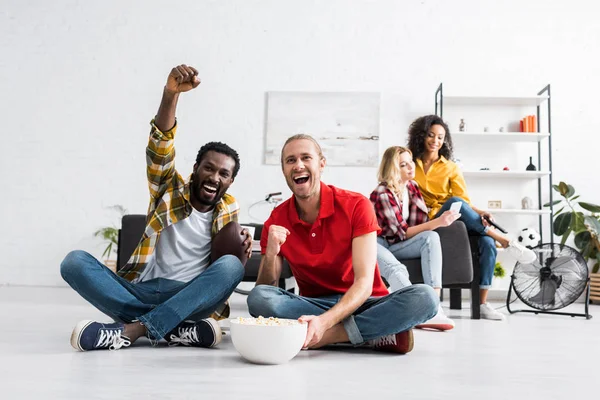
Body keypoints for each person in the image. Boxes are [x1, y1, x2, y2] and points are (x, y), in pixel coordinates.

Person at [60, 64, 252, 351]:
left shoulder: (229, 208)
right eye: (209, 168)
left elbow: (223, 272)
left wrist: (242, 255)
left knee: (232, 267)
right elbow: (160, 145)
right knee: (73, 262)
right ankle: (176, 329)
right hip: (140, 290)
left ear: (231, 181)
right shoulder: (169, 187)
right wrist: (171, 94)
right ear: (195, 168)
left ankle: (133, 330)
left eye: (223, 174)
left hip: (189, 295)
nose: (214, 177)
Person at [247, 134, 438, 354]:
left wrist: (325, 324)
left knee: (426, 298)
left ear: (321, 164)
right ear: (283, 170)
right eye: (290, 160)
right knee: (259, 299)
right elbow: (264, 290)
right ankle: (372, 334)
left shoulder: (356, 205)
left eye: (305, 158)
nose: (298, 165)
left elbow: (364, 283)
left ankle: (331, 337)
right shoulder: (276, 219)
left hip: (366, 301)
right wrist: (270, 255)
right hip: (314, 304)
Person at [407, 115, 536, 320]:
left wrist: (480, 212)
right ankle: (505, 240)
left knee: (486, 242)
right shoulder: (410, 164)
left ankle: (483, 304)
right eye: (431, 135)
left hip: (453, 218)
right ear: (421, 136)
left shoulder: (450, 167)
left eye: (440, 137)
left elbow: (463, 201)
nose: (435, 141)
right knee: (452, 203)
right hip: (427, 220)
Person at [371, 146, 459, 331]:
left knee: (431, 237)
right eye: (403, 165)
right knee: (397, 269)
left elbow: (420, 224)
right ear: (393, 168)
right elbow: (402, 232)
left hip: (396, 243)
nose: (411, 167)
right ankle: (420, 310)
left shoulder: (411, 187)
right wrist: (439, 222)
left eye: (410, 162)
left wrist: (439, 220)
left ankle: (434, 307)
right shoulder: (382, 193)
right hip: (376, 243)